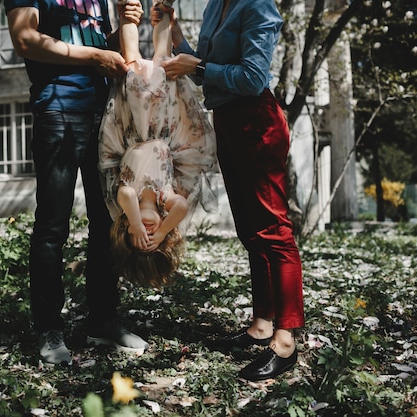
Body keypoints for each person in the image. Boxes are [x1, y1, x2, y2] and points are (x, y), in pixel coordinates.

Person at [157, 0, 305, 381]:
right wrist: (175, 33)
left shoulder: (258, 7)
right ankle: (261, 324)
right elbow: (204, 70)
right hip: (227, 121)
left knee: (274, 231)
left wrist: (200, 66)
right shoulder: (215, 7)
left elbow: (253, 77)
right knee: (251, 232)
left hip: (257, 120)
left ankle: (286, 340)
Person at [4, 0, 149, 366]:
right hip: (59, 110)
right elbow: (25, 39)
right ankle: (49, 327)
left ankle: (102, 320)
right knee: (53, 226)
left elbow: (103, 45)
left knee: (106, 222)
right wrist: (94, 57)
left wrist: (122, 27)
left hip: (106, 114)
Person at [98, 0, 217, 288]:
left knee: (133, 66)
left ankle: (129, 8)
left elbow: (126, 193)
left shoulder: (127, 202)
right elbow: (182, 208)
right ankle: (163, 8)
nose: (147, 234)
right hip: (165, 127)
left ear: (125, 229)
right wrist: (163, 230)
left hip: (134, 127)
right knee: (163, 62)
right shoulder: (166, 200)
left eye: (137, 239)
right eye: (151, 241)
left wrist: (136, 221)